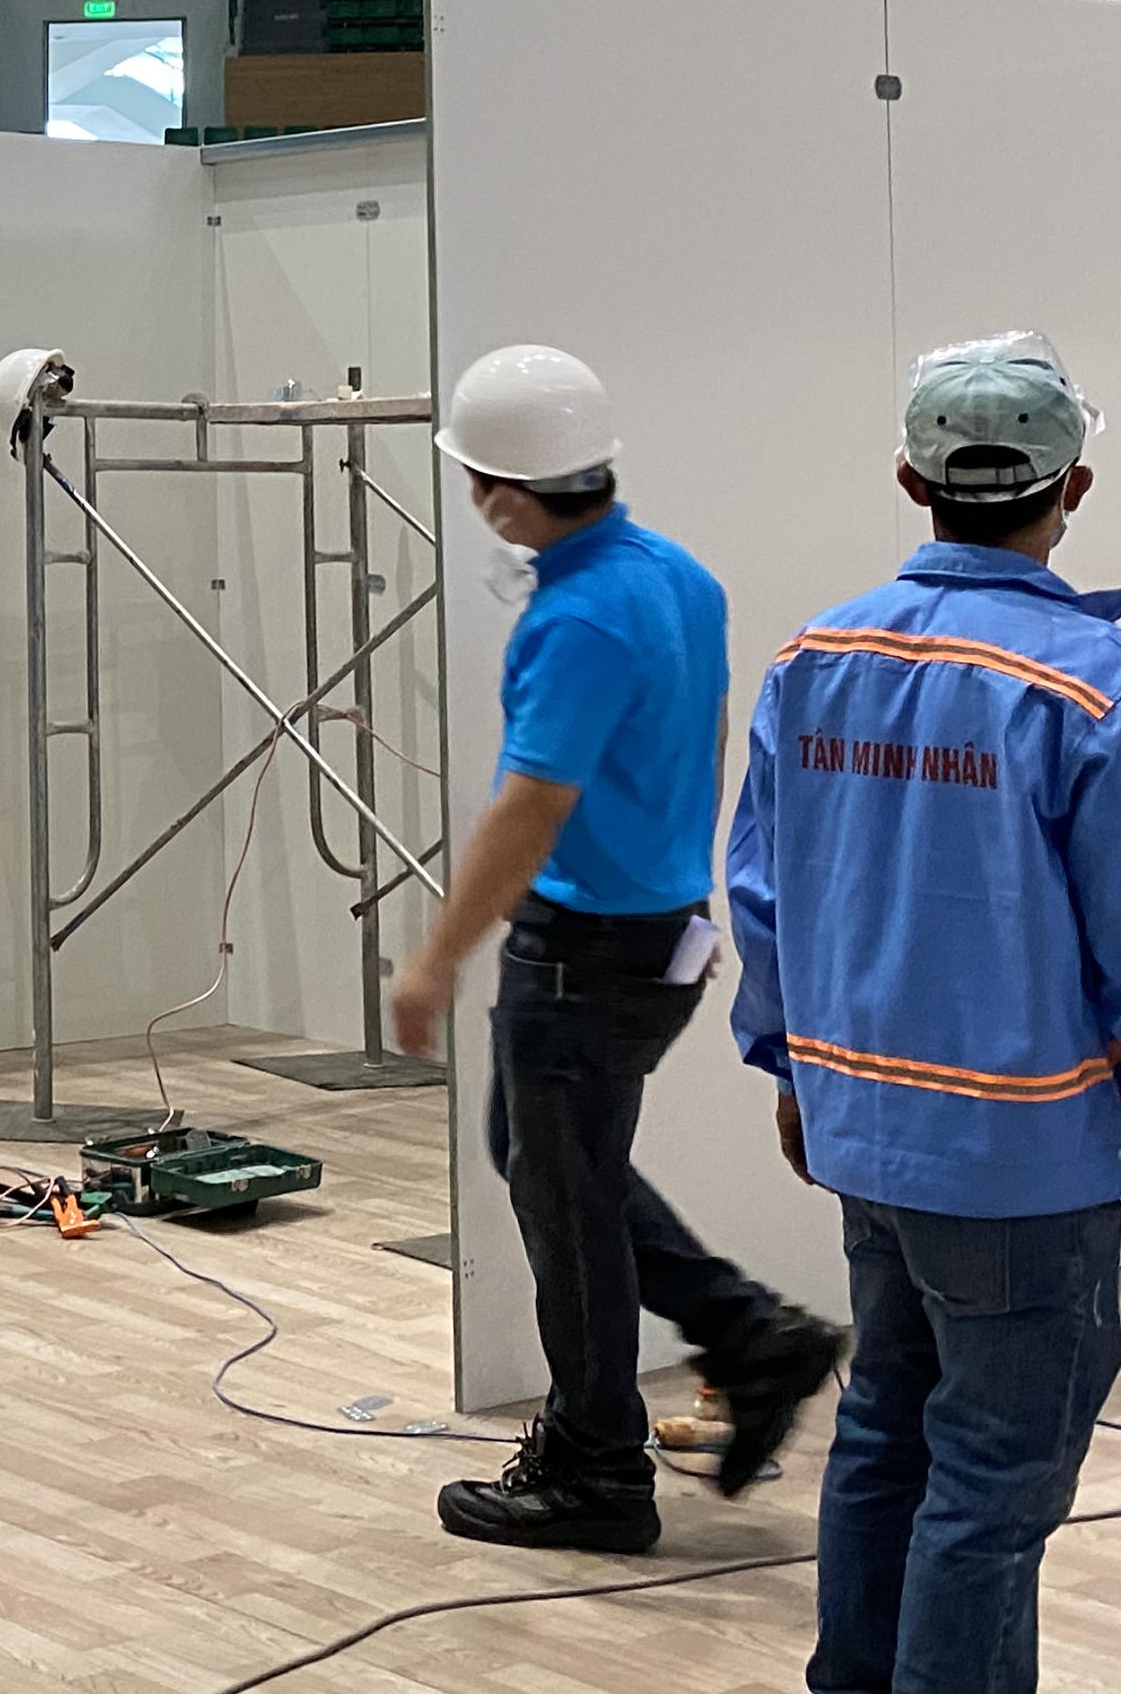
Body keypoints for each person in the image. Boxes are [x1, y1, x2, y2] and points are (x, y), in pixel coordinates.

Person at [730, 332, 1121, 1694]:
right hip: (1019, 1171)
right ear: (1075, 486)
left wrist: (795, 1074)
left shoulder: (815, 659)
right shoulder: (1100, 686)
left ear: (910, 481)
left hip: (868, 1141)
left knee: (885, 1434)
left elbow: (762, 897)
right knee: (991, 1484)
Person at [385, 344, 841, 1554]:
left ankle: (597, 1467)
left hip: (581, 954)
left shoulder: (576, 618)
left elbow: (530, 809)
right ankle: (749, 1334)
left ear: (499, 494)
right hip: (655, 938)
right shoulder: (677, 578)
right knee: (547, 1165)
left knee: (568, 1204)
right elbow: (687, 747)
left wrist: (433, 961)